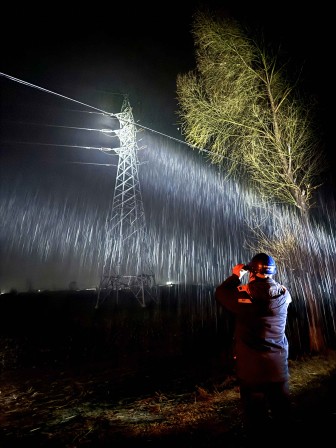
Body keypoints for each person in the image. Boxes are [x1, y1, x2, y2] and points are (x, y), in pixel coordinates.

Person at [215, 253, 292, 442]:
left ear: (252, 273)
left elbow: (221, 293)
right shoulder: (285, 294)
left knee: (256, 421)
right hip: (278, 368)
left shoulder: (244, 295)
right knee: (283, 418)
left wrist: (235, 275)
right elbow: (269, 291)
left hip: (252, 371)